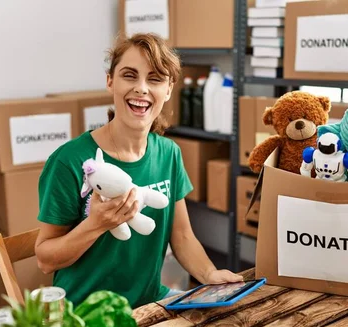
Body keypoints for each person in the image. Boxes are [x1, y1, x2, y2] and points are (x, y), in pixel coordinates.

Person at [34, 33, 243, 309]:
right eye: (129, 75)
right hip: (86, 312)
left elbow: (181, 236)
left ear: (169, 89)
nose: (142, 88)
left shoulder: (169, 154)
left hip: (148, 302)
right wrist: (95, 225)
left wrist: (208, 274)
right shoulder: (70, 161)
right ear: (111, 81)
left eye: (155, 79)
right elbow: (45, 259)